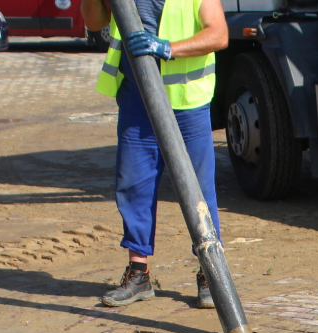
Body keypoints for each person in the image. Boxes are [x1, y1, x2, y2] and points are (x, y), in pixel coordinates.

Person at [80, 0, 228, 308]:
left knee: (199, 189)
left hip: (186, 103)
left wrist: (168, 48)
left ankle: (210, 273)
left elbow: (219, 35)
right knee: (134, 185)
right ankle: (139, 274)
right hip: (137, 101)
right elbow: (94, 22)